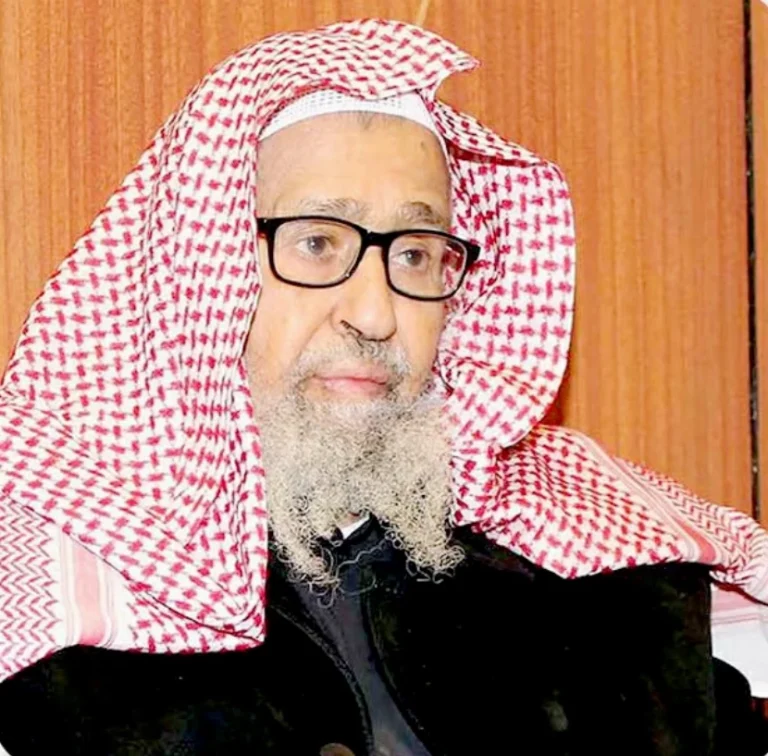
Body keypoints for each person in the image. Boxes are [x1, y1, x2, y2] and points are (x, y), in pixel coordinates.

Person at [0, 18, 765, 756]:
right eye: (316, 242)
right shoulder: (49, 591)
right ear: (200, 264)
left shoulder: (618, 567)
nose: (375, 314)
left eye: (415, 253)